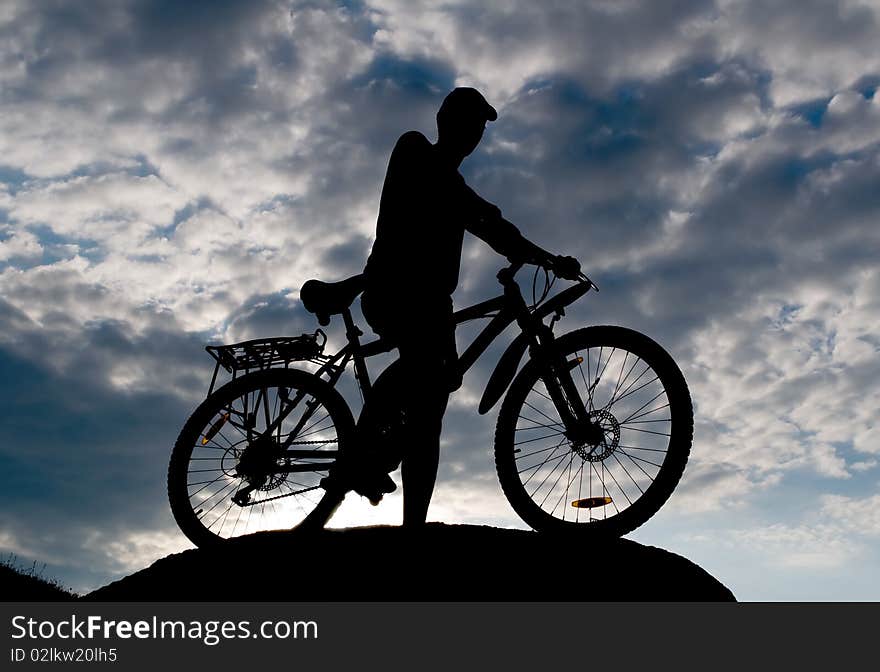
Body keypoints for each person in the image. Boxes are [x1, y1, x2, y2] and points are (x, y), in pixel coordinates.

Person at [354, 87, 577, 527]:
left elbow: (491, 226)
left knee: (432, 409)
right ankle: (363, 451)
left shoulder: (453, 187)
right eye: (468, 122)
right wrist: (495, 222)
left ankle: (411, 522)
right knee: (430, 373)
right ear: (444, 121)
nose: (474, 135)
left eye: (478, 128)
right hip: (394, 291)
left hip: (433, 304)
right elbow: (469, 208)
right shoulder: (415, 149)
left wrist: (546, 258)